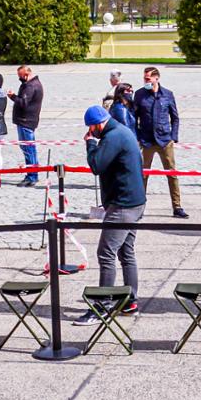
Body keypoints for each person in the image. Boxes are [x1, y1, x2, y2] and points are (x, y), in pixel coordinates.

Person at [77, 104, 145, 322]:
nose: (90, 131)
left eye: (91, 128)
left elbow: (96, 165)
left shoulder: (113, 136)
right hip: (134, 202)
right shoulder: (123, 130)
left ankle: (102, 306)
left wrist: (90, 144)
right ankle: (130, 301)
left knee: (106, 253)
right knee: (126, 253)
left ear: (97, 125)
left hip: (123, 205)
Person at [132, 67, 188, 219]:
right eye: (144, 79)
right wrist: (137, 137)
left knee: (172, 174)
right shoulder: (140, 95)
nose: (145, 81)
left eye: (148, 79)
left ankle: (177, 207)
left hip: (164, 140)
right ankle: (138, 208)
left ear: (157, 78)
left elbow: (175, 117)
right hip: (147, 141)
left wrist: (173, 137)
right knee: (142, 175)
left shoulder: (167, 94)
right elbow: (133, 117)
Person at [9, 65, 45, 186]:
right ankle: (33, 173)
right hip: (28, 120)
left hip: (26, 121)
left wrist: (12, 96)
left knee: (28, 149)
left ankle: (32, 176)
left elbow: (23, 103)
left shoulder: (30, 86)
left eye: (20, 76)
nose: (20, 79)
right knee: (30, 148)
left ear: (26, 74)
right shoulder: (34, 84)